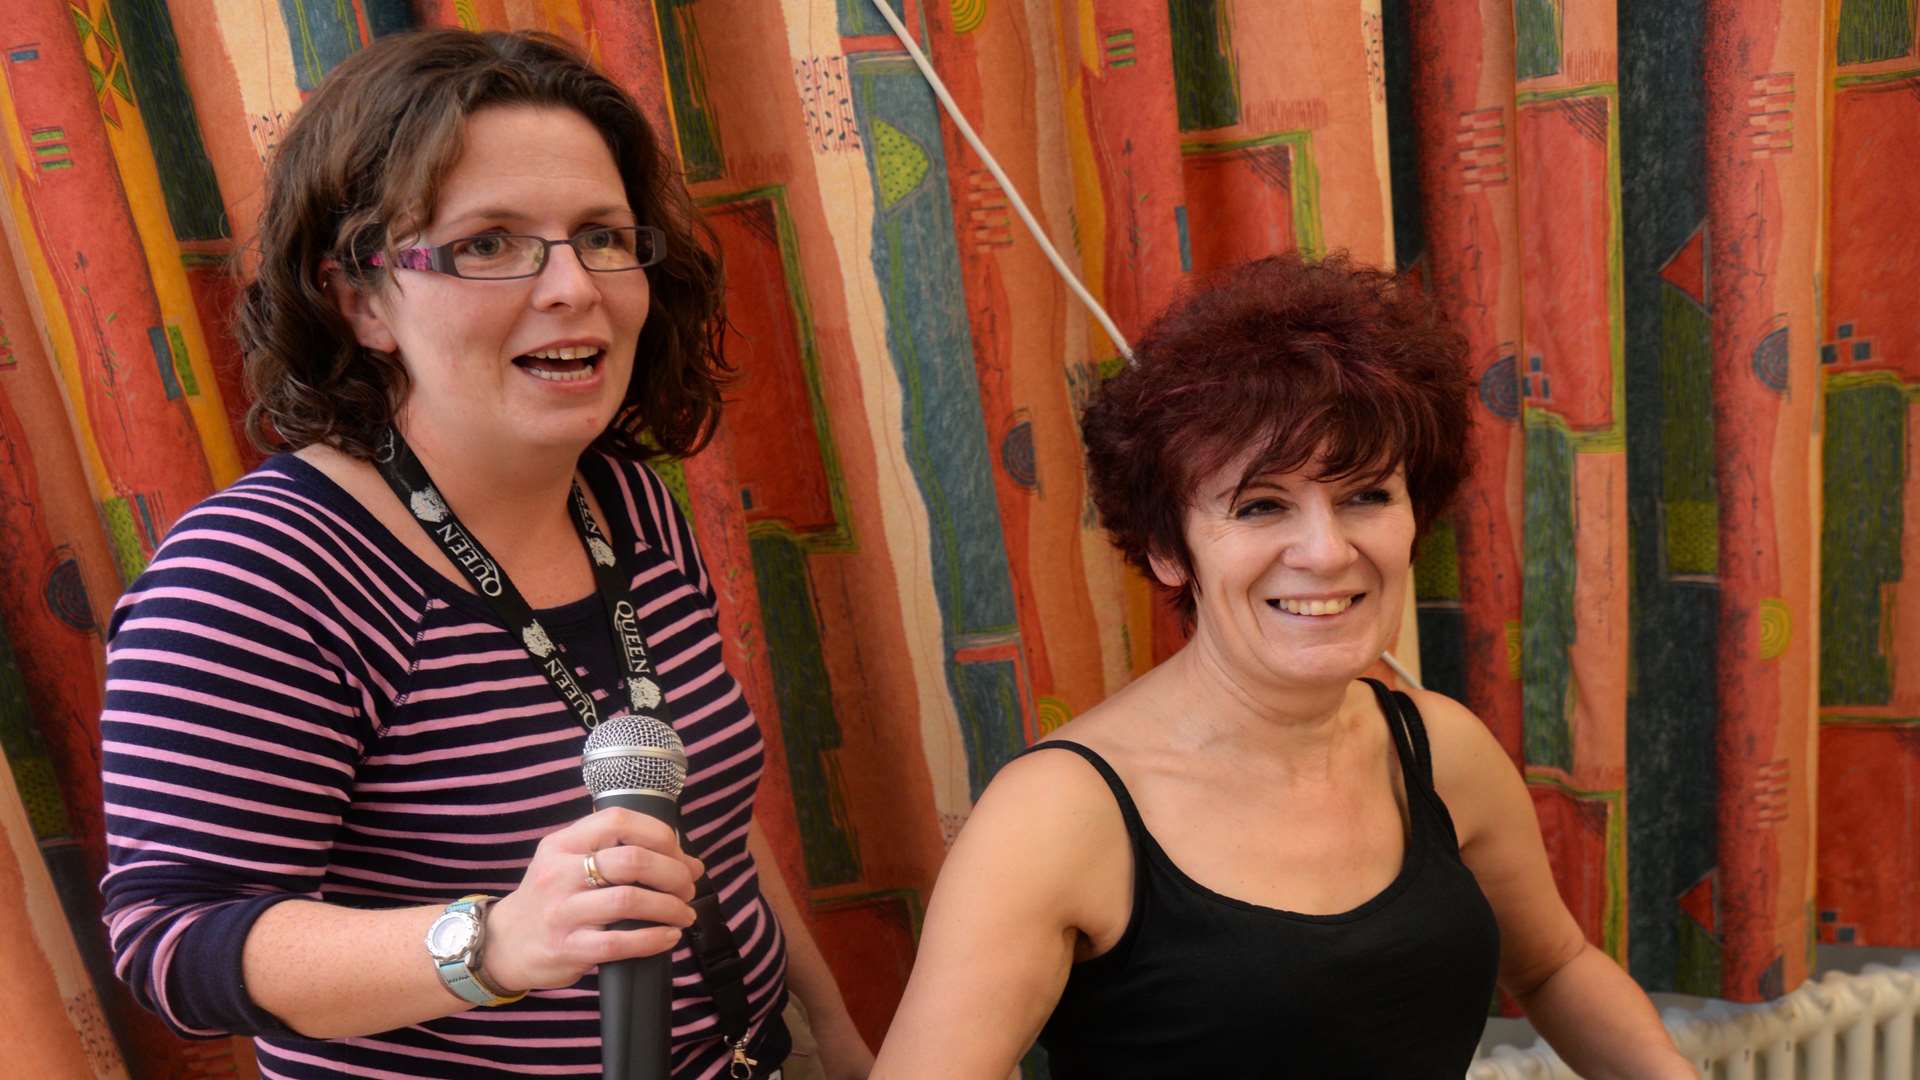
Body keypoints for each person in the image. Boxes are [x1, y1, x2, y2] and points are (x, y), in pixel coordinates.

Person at [97, 29, 872, 1079]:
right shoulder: (259, 575)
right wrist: (495, 941)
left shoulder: (629, 506)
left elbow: (708, 841)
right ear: (361, 300)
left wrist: (834, 1042)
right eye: (488, 243)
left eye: (602, 235)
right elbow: (172, 946)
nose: (572, 287)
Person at [872, 255, 1695, 1078]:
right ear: (1167, 548)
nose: (1326, 552)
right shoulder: (1055, 817)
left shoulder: (1442, 751)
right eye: (1262, 506)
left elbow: (1555, 966)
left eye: (1365, 495)